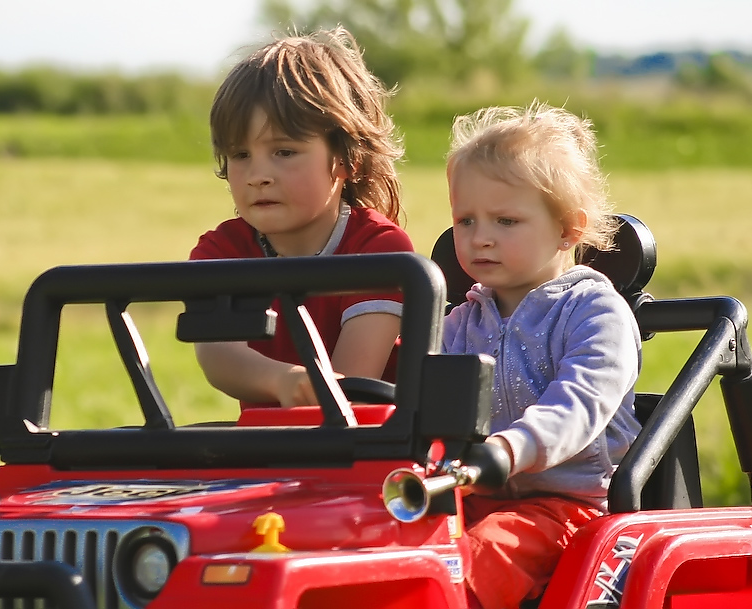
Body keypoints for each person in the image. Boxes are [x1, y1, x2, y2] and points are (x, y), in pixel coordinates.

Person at [441, 101, 642, 609]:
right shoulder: (459, 323)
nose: (480, 237)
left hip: (567, 512)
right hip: (471, 496)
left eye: (505, 220)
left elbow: (579, 404)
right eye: (466, 220)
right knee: (380, 536)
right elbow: (424, 410)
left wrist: (511, 449)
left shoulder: (595, 313)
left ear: (569, 230)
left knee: (467, 564)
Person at [189, 27, 414, 410]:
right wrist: (281, 380)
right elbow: (216, 356)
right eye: (240, 155)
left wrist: (303, 389)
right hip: (267, 449)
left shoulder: (377, 250)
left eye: (284, 152)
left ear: (347, 158)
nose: (258, 175)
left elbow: (351, 382)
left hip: (362, 450)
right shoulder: (221, 250)